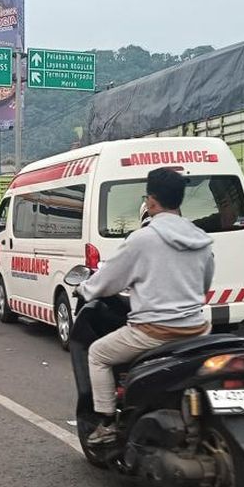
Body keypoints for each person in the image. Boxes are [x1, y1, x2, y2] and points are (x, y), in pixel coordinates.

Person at [76, 167, 215, 446]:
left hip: (154, 332)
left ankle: (106, 423)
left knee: (97, 354)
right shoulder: (199, 238)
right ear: (179, 200)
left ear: (151, 201)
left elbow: (108, 279)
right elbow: (204, 283)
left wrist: (85, 288)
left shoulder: (143, 239)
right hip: (197, 330)